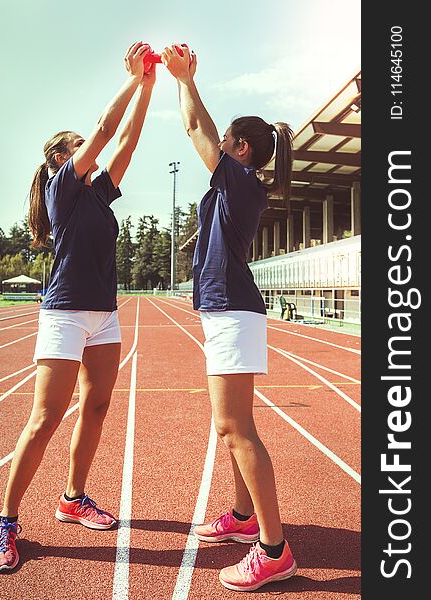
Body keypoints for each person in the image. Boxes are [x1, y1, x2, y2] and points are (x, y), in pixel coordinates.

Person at [0, 42, 156, 573]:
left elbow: (124, 140)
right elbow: (106, 129)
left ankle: (72, 497)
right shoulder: (63, 187)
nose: (93, 151)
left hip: (103, 314)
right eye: (79, 147)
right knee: (44, 419)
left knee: (98, 407)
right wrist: (131, 78)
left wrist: (149, 87)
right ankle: (8, 522)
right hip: (63, 313)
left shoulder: (100, 194)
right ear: (61, 158)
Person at [162, 45, 297, 592]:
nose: (215, 147)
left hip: (234, 312)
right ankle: (244, 518)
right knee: (235, 426)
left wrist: (186, 78)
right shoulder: (235, 182)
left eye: (225, 142)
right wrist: (181, 83)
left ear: (240, 148)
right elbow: (197, 127)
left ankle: (274, 549)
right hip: (227, 309)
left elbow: (197, 128)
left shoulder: (240, 181)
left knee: (233, 427)